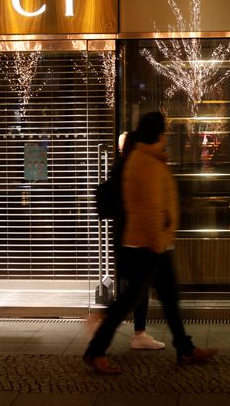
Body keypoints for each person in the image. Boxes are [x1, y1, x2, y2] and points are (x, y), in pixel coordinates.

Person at [83, 111, 217, 374]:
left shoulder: (147, 158)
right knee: (130, 301)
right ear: (158, 133)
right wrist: (158, 242)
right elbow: (150, 207)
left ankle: (185, 348)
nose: (166, 135)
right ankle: (96, 350)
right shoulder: (146, 162)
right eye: (164, 131)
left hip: (154, 243)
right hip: (149, 245)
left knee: (168, 299)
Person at [86, 131, 165, 350]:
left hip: (126, 236)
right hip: (133, 237)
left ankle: (134, 331)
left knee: (135, 288)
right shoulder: (132, 167)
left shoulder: (122, 166)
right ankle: (116, 326)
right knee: (137, 288)